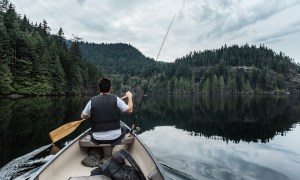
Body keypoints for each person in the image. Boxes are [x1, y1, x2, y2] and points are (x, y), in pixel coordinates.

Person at [81, 77, 133, 144]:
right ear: (110, 88)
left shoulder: (92, 101)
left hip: (97, 138)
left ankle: (96, 151)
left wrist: (90, 115)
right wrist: (130, 97)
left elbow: (82, 116)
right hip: (115, 137)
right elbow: (130, 110)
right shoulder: (116, 99)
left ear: (99, 88)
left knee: (90, 132)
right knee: (124, 129)